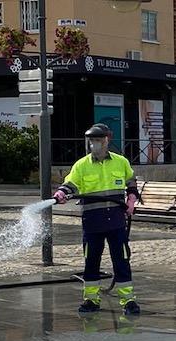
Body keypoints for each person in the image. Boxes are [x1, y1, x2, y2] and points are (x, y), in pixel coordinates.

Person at [53, 124, 141, 316]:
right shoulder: (82, 165)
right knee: (91, 261)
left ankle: (128, 300)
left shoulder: (121, 162)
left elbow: (131, 184)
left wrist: (132, 201)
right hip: (93, 222)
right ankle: (91, 299)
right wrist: (60, 193)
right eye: (92, 141)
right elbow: (70, 184)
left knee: (122, 260)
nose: (95, 144)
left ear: (107, 140)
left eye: (99, 140)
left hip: (116, 221)